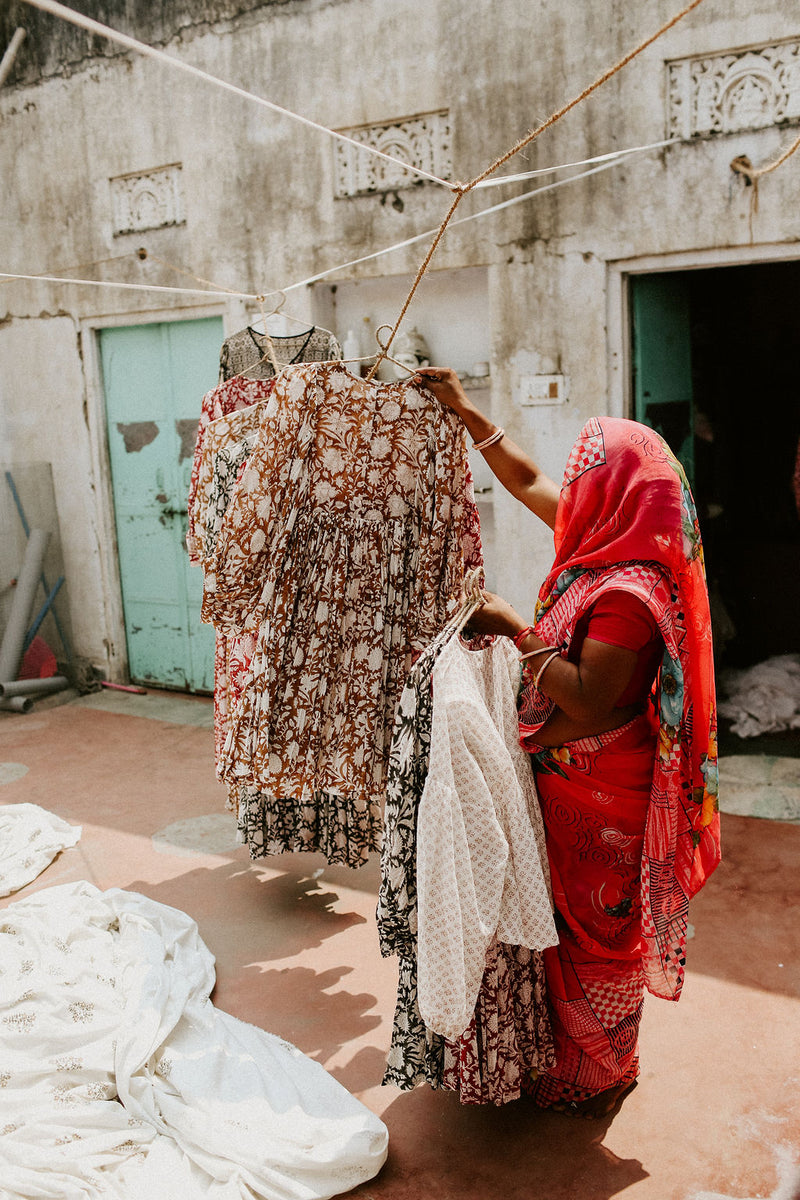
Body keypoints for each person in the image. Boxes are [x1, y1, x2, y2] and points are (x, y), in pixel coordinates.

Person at [413, 366, 722, 1118]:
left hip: (604, 791)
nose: (571, 491)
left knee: (598, 932)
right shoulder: (603, 542)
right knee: (560, 926)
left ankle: (603, 1071)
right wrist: (462, 409)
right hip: (563, 776)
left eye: (586, 477)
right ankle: (571, 1061)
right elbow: (527, 482)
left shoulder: (630, 591)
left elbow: (588, 694)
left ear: (617, 493)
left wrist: (513, 627)